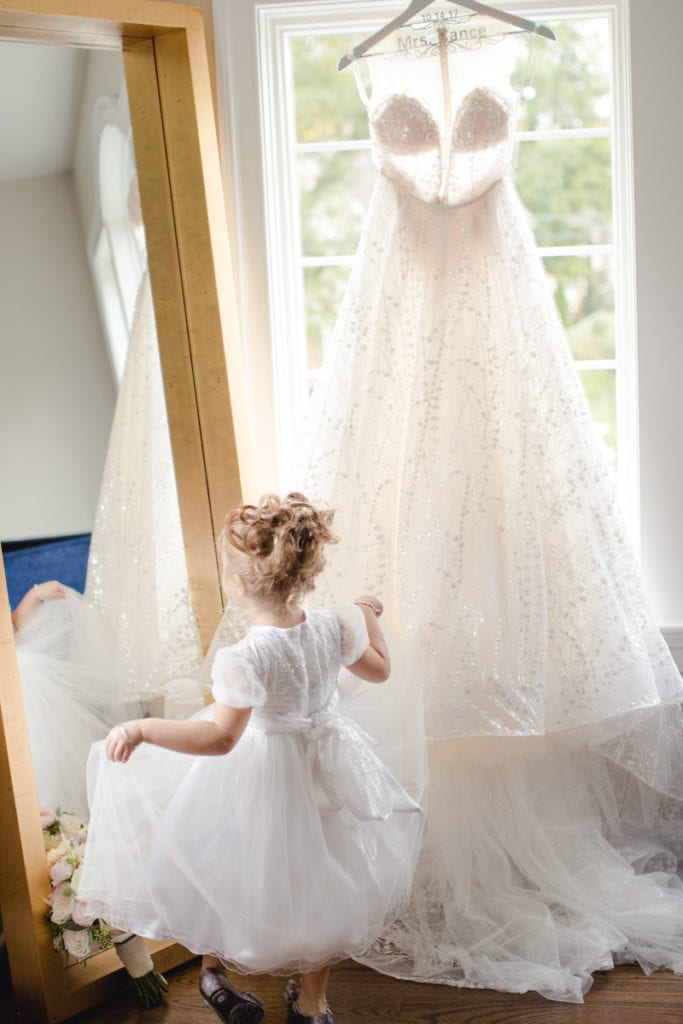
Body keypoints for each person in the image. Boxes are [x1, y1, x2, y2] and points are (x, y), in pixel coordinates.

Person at [78, 492, 423, 1024]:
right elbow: (379, 670)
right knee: (324, 880)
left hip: (264, 775)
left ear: (238, 585)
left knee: (224, 865)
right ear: (305, 571)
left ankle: (214, 974)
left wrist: (143, 728)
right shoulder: (335, 625)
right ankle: (313, 1005)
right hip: (326, 770)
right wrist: (365, 614)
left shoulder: (244, 657)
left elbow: (220, 740)